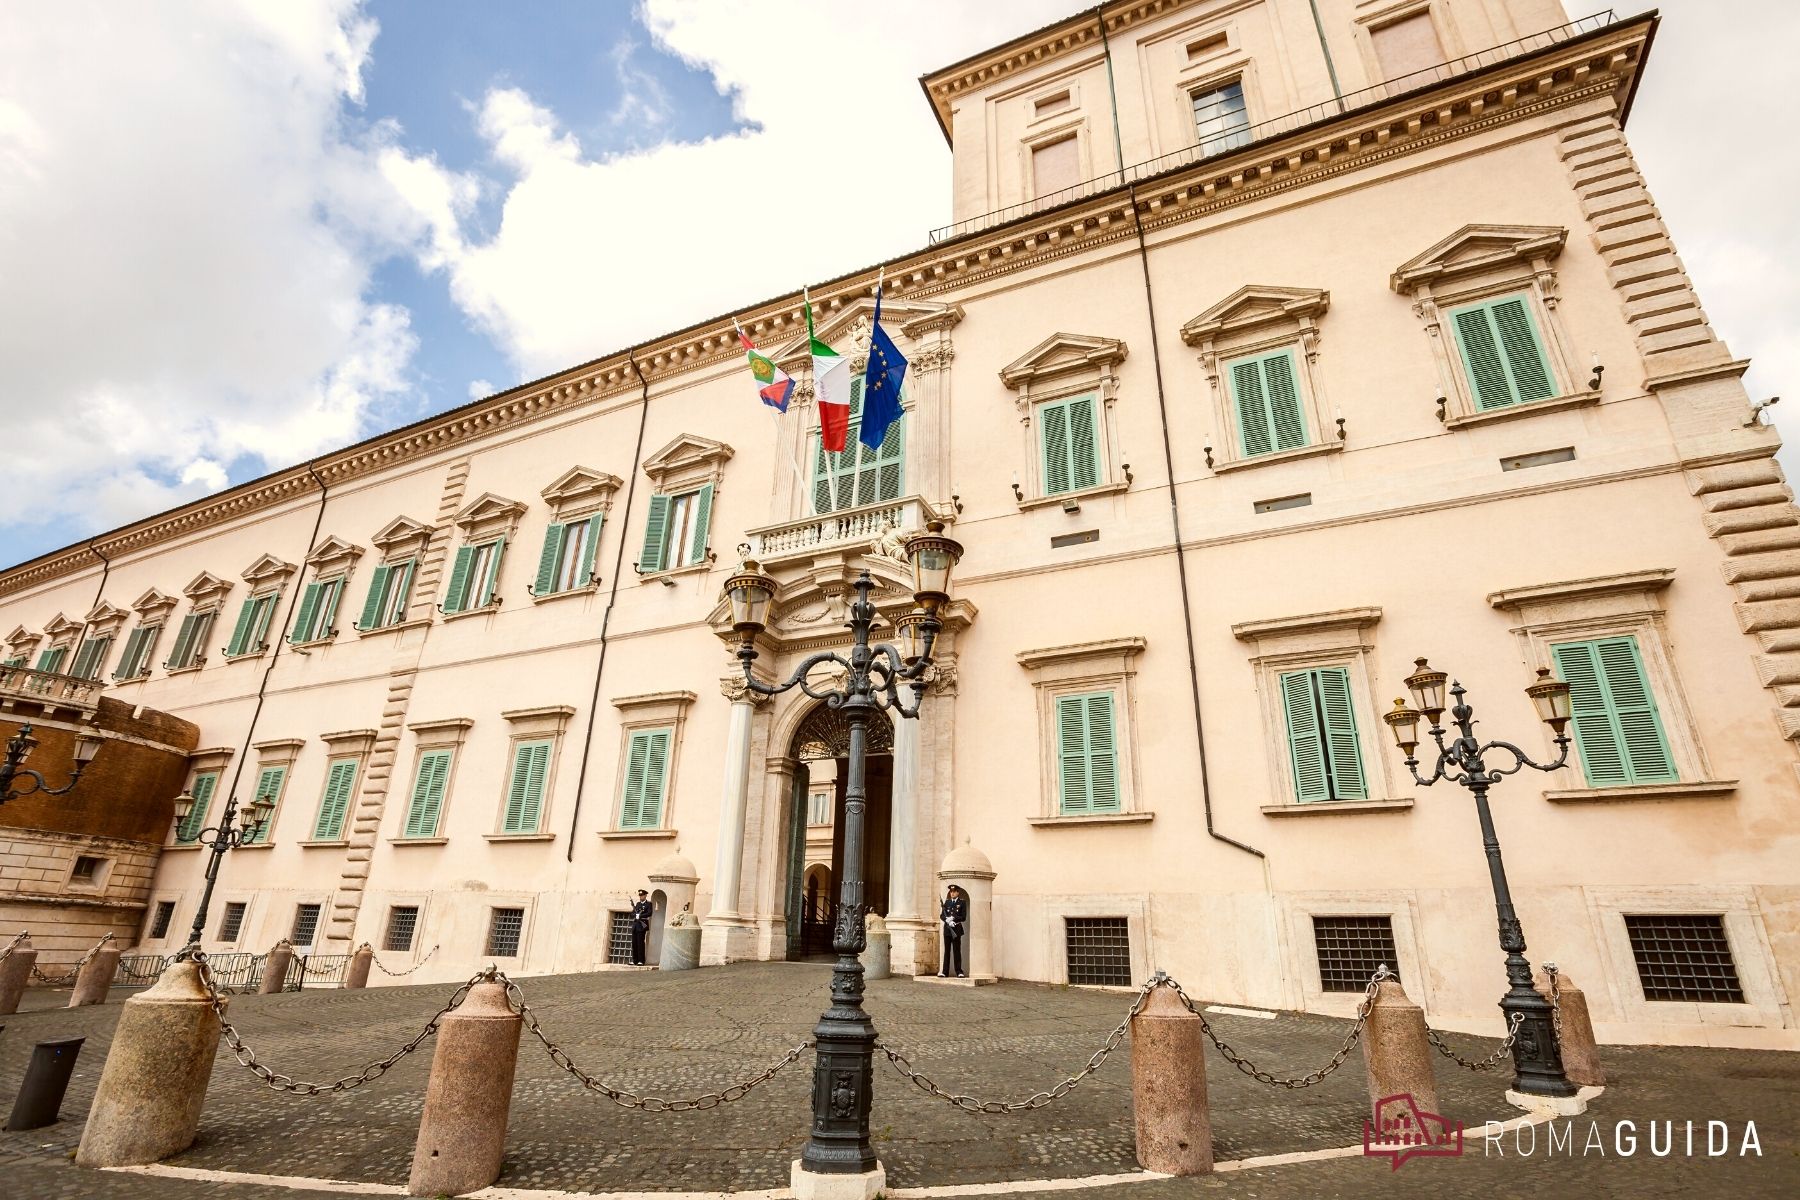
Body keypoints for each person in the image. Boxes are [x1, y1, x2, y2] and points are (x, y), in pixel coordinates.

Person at [938, 885, 967, 978]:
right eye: (951, 892)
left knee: (956, 951)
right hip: (947, 930)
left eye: (954, 891)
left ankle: (959, 971)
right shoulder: (947, 902)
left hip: (956, 930)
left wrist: (953, 919)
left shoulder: (962, 902)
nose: (952, 893)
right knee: (947, 951)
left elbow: (963, 917)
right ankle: (944, 972)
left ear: (958, 892)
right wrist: (947, 920)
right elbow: (942, 915)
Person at [630, 889, 654, 965]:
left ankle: (641, 960)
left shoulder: (648, 904)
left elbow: (649, 913)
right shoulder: (637, 904)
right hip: (635, 925)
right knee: (634, 944)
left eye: (642, 895)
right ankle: (635, 960)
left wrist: (640, 915)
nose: (641, 897)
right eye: (640, 895)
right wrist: (635, 915)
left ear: (645, 895)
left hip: (642, 925)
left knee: (640, 944)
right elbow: (632, 913)